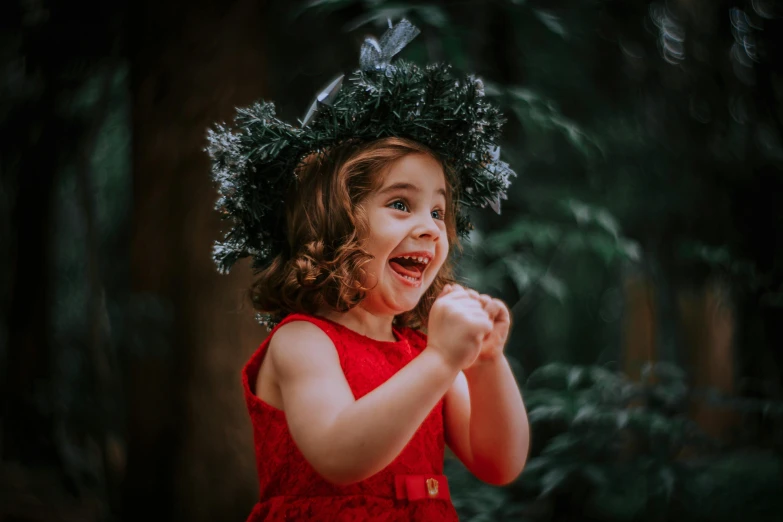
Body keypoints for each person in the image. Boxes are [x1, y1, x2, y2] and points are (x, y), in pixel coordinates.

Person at [207, 19, 529, 522]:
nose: (429, 228)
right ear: (331, 223)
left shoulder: (420, 349)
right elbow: (340, 454)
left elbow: (499, 462)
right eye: (401, 203)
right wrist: (443, 361)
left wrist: (487, 364)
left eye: (439, 212)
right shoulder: (304, 342)